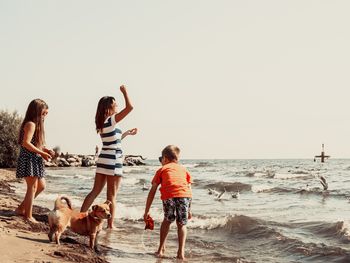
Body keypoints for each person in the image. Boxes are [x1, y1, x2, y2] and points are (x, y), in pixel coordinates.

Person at [80, 85, 137, 229]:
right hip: (113, 159)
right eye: (115, 103)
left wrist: (126, 134)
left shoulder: (101, 122)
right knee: (112, 195)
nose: (117, 105)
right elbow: (130, 107)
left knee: (95, 191)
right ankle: (111, 225)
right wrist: (125, 92)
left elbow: (112, 141)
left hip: (104, 156)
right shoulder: (111, 120)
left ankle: (80, 216)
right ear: (108, 107)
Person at [144, 145, 193, 260]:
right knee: (182, 224)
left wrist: (146, 211)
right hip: (184, 196)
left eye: (161, 159)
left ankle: (160, 250)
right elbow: (189, 190)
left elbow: (152, 190)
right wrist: (189, 209)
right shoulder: (185, 170)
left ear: (165, 159)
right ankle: (180, 253)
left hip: (169, 196)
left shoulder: (162, 169)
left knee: (167, 221)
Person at [15, 99, 54, 223]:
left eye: (46, 114)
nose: (45, 117)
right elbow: (25, 143)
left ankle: (21, 208)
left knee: (41, 186)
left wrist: (45, 149)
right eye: (43, 113)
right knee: (32, 187)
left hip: (35, 158)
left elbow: (34, 143)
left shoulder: (36, 125)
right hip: (29, 158)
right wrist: (41, 153)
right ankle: (28, 216)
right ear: (36, 111)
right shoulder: (30, 124)